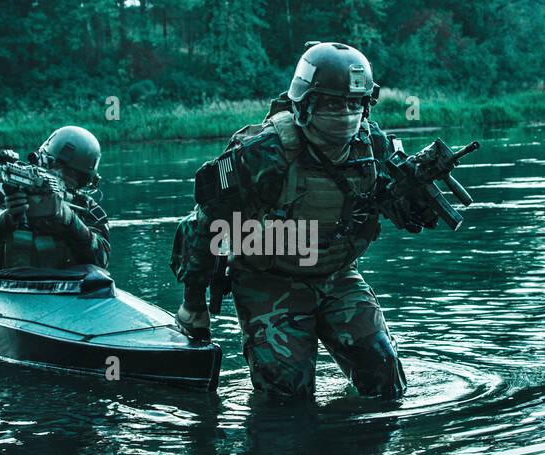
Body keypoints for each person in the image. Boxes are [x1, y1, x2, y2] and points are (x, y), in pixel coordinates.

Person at [170, 42, 436, 400]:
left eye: (354, 104)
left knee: (384, 373)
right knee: (287, 395)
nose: (344, 113)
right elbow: (206, 223)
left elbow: (400, 213)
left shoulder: (373, 147)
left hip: (335, 274)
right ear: (305, 104)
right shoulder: (261, 152)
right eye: (331, 103)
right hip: (269, 278)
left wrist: (414, 199)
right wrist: (194, 305)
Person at [0, 125, 110, 270]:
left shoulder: (86, 207)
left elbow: (102, 260)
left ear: (84, 181)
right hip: (2, 278)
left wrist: (71, 222)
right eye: (55, 166)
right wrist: (7, 216)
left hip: (65, 283)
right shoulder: (5, 190)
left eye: (72, 175)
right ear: (42, 160)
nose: (60, 176)